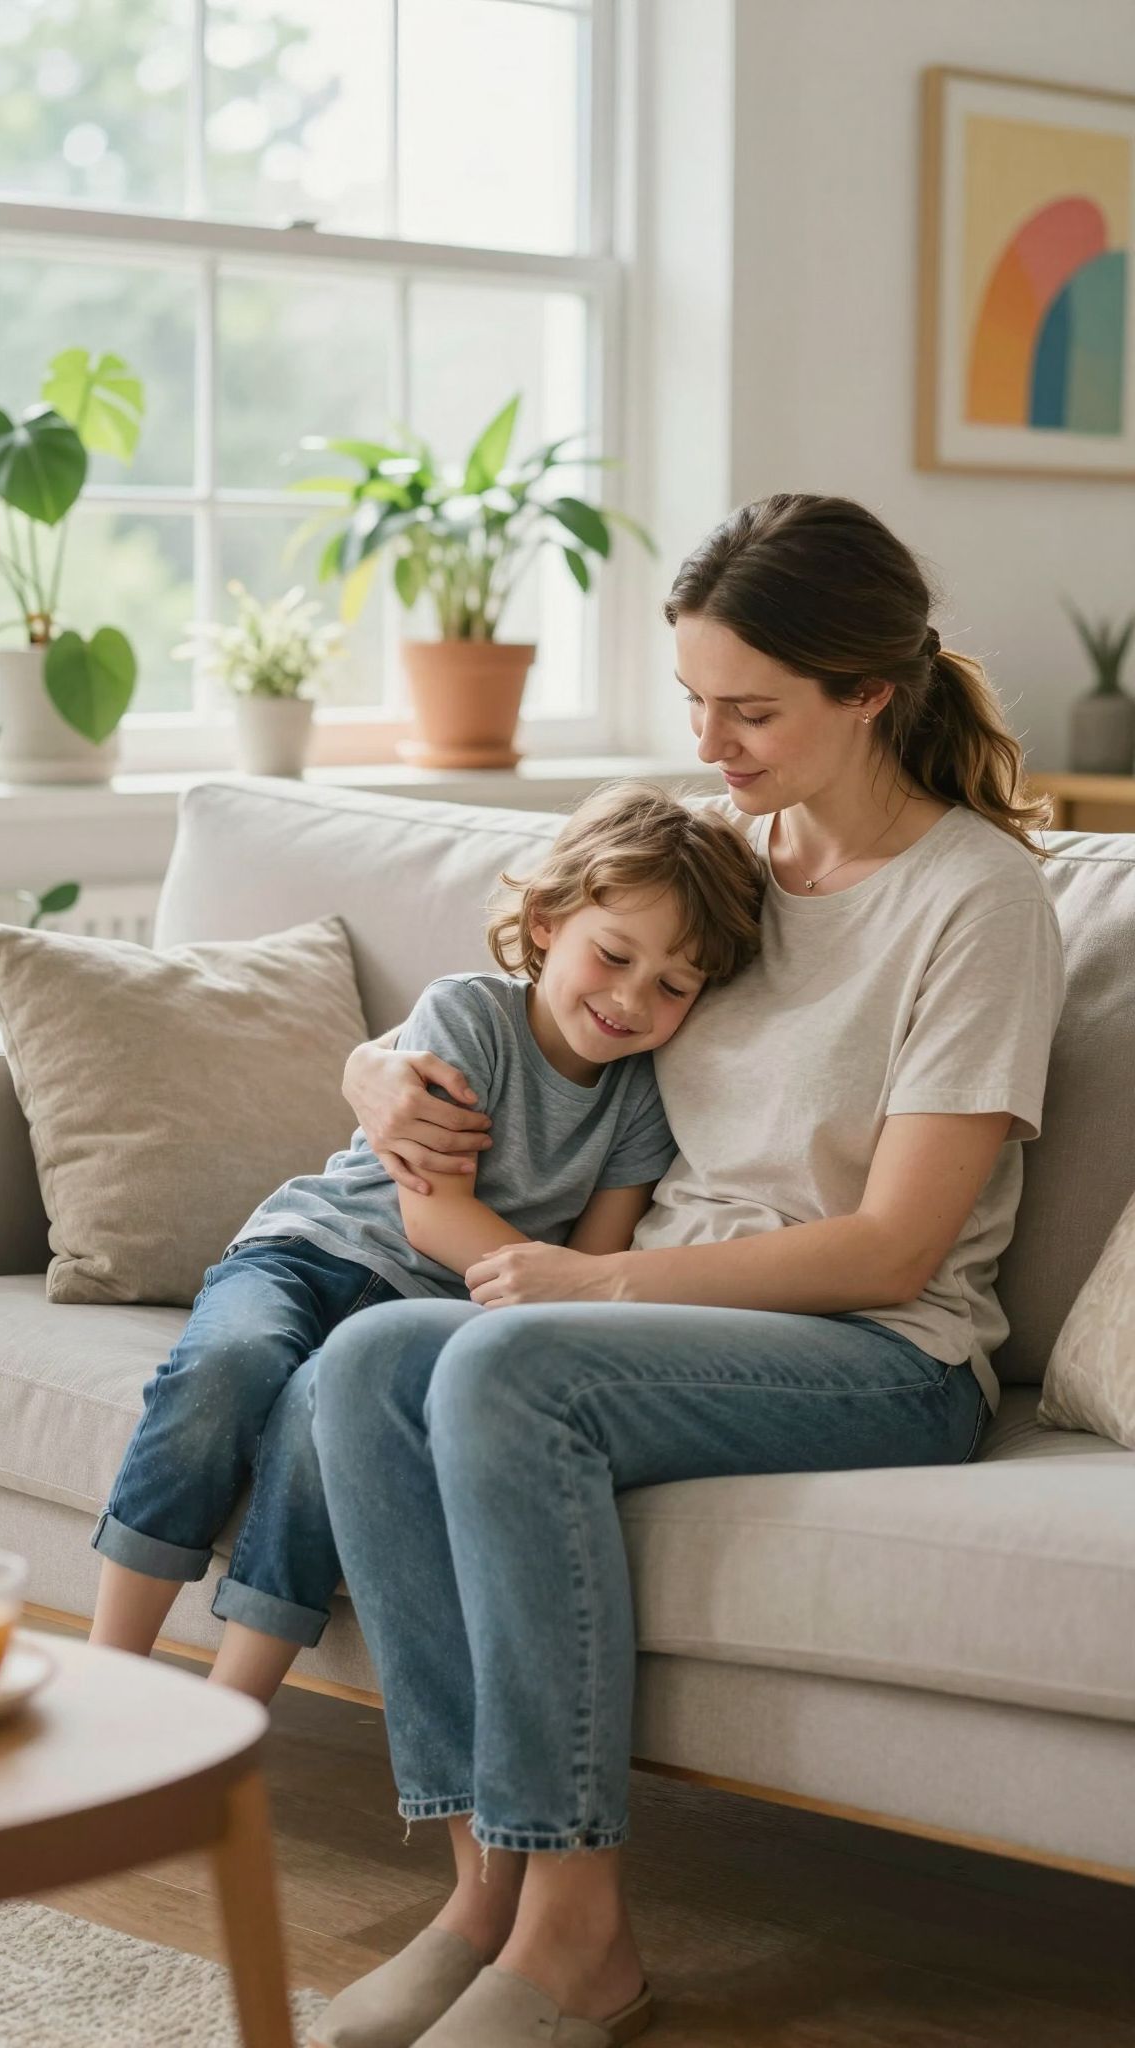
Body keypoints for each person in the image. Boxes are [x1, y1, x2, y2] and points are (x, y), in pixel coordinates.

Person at [305, 493, 1067, 2048]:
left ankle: (581, 1937)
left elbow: (898, 1245)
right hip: (662, 1325)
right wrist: (373, 1070)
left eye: (753, 709)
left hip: (881, 1353)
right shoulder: (717, 862)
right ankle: (485, 1895)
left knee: (504, 1361)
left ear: (870, 692)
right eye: (696, 703)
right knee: (373, 1358)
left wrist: (594, 1292)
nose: (711, 742)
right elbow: (510, 1001)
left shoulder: (976, 901)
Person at [88, 784, 763, 1703]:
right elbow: (432, 1215)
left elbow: (594, 1260)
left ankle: (228, 1720)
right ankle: (105, 1676)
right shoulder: (469, 1015)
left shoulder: (643, 1101)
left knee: (319, 1432)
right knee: (225, 1370)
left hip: (417, 1321)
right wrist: (545, 1276)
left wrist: (575, 1289)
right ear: (546, 922)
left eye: (673, 986)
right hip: (312, 1253)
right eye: (613, 955)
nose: (630, 998)